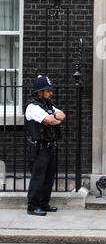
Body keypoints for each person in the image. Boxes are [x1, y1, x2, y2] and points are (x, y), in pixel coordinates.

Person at [25, 75, 66, 216]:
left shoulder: (48, 106)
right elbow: (50, 119)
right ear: (39, 92)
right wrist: (51, 118)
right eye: (48, 90)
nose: (51, 93)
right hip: (38, 148)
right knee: (38, 177)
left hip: (49, 147)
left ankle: (43, 203)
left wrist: (51, 118)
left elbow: (62, 115)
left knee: (49, 177)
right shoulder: (32, 107)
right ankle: (33, 206)